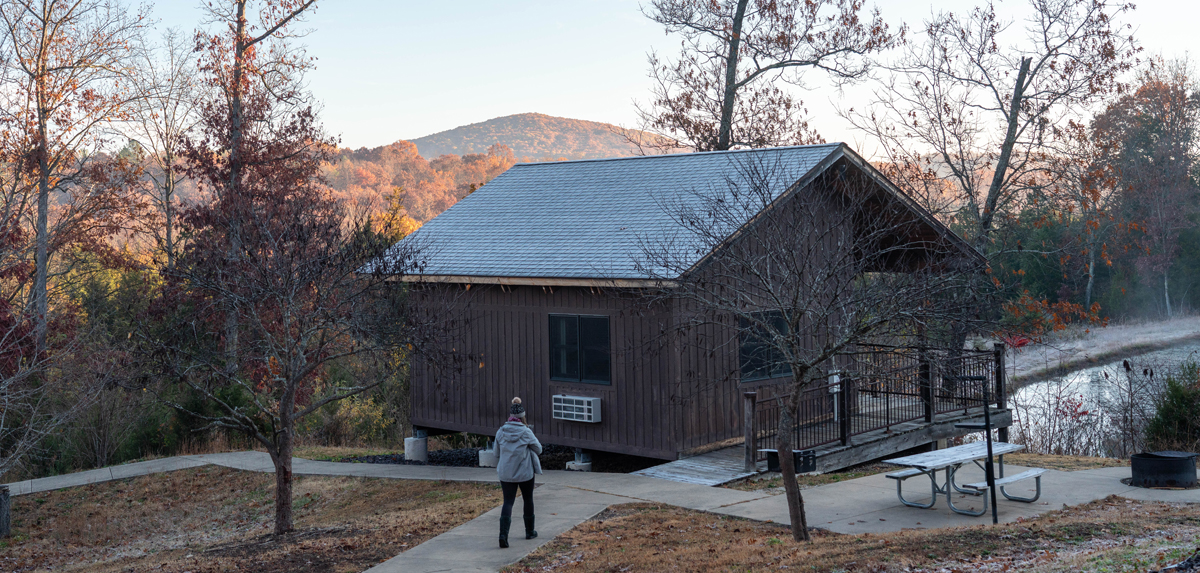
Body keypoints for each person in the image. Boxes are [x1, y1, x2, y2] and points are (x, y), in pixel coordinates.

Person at [495, 396, 542, 548]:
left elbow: (496, 453)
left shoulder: (500, 432)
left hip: (506, 473)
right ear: (523, 417)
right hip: (524, 473)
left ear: (510, 417)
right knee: (528, 499)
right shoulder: (526, 432)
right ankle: (530, 531)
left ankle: (503, 535)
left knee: (508, 501)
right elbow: (539, 449)